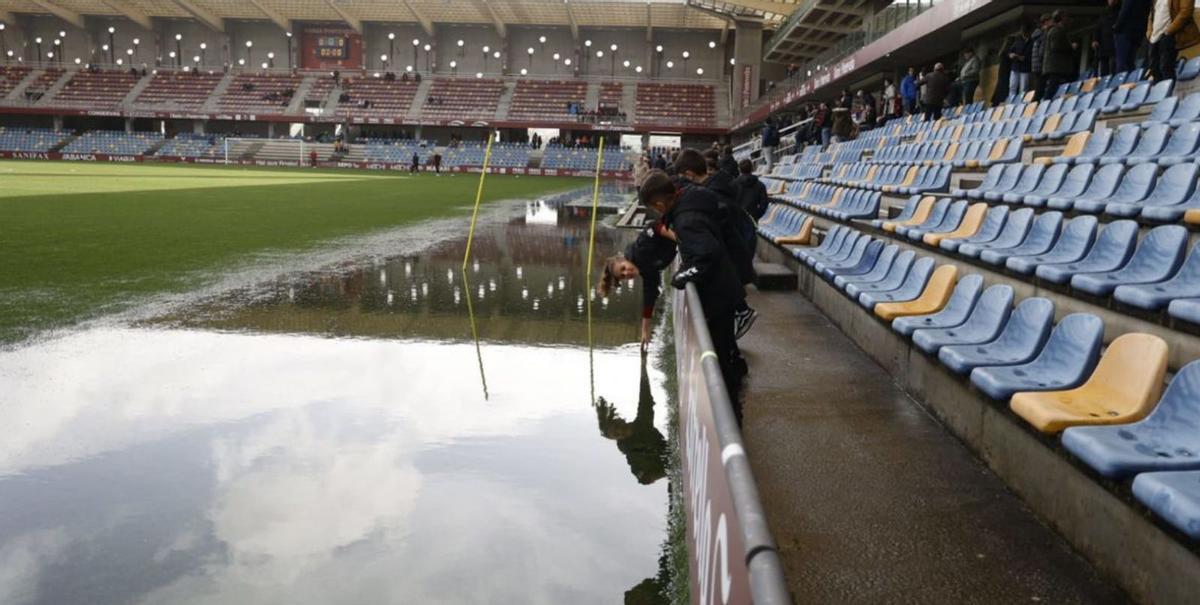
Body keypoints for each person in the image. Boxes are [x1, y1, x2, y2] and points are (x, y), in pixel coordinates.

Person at [637, 169, 748, 415]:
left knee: (720, 356)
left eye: (655, 208)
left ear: (658, 203)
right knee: (726, 351)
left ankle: (731, 414)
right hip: (727, 286)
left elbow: (706, 255)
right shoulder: (691, 197)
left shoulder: (687, 221)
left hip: (719, 296)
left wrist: (680, 277)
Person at [1149, 0, 1199, 81]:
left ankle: (1169, 92)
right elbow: (1152, 14)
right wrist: (1149, 32)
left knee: (1165, 68)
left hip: (1169, 35)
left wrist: (1169, 31)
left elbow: (1186, 11)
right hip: (1154, 38)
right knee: (1155, 70)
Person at [732, 159, 769, 258]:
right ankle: (749, 264)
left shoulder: (734, 184)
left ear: (739, 169)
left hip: (737, 216)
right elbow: (764, 203)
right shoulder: (760, 185)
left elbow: (730, 201)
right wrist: (757, 214)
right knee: (750, 241)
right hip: (752, 216)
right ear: (752, 168)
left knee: (738, 241)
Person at [1042, 12, 1076, 101]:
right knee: (1052, 86)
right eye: (1065, 17)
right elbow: (1055, 46)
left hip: (1056, 65)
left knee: (1056, 85)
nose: (1067, 19)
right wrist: (1070, 47)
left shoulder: (1055, 30)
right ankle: (1046, 103)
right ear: (1061, 19)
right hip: (1056, 65)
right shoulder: (1057, 30)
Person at [1114, 0, 1153, 73]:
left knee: (1122, 63)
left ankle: (1123, 83)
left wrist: (1116, 28)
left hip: (1125, 32)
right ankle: (1130, 82)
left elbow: (1124, 12)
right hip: (1138, 33)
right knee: (1130, 62)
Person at [1093, 0, 1119, 76]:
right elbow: (1097, 27)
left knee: (1114, 65)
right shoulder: (1104, 12)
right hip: (1103, 44)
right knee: (1104, 67)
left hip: (1115, 43)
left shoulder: (1120, 11)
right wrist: (1095, 39)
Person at [1030, 14, 1050, 100]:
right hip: (1041, 65)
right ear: (1046, 22)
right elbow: (1042, 51)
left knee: (1039, 88)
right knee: (1040, 89)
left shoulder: (1036, 35)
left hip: (1035, 65)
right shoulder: (1043, 35)